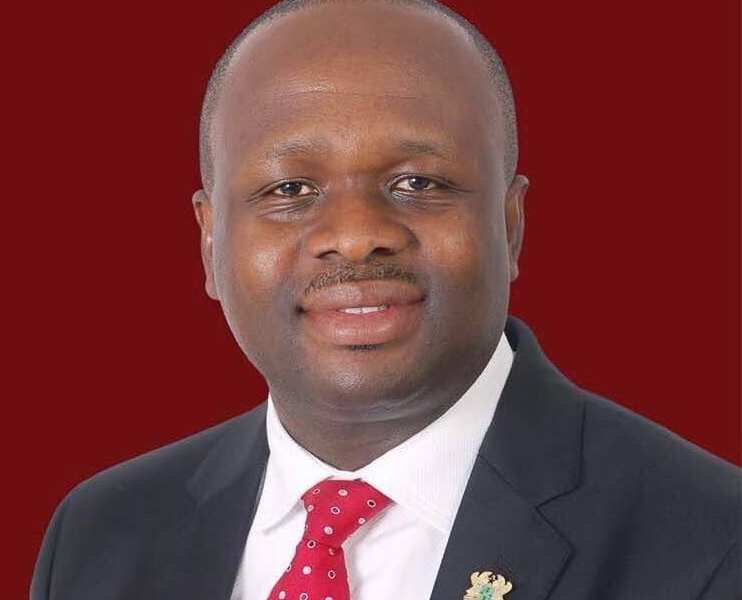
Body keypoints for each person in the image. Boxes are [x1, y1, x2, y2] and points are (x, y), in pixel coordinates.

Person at [31, 1, 739, 599]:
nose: (357, 234)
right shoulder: (99, 538)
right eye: (290, 190)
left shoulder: (713, 544)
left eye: (417, 184)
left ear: (510, 226)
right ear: (210, 243)